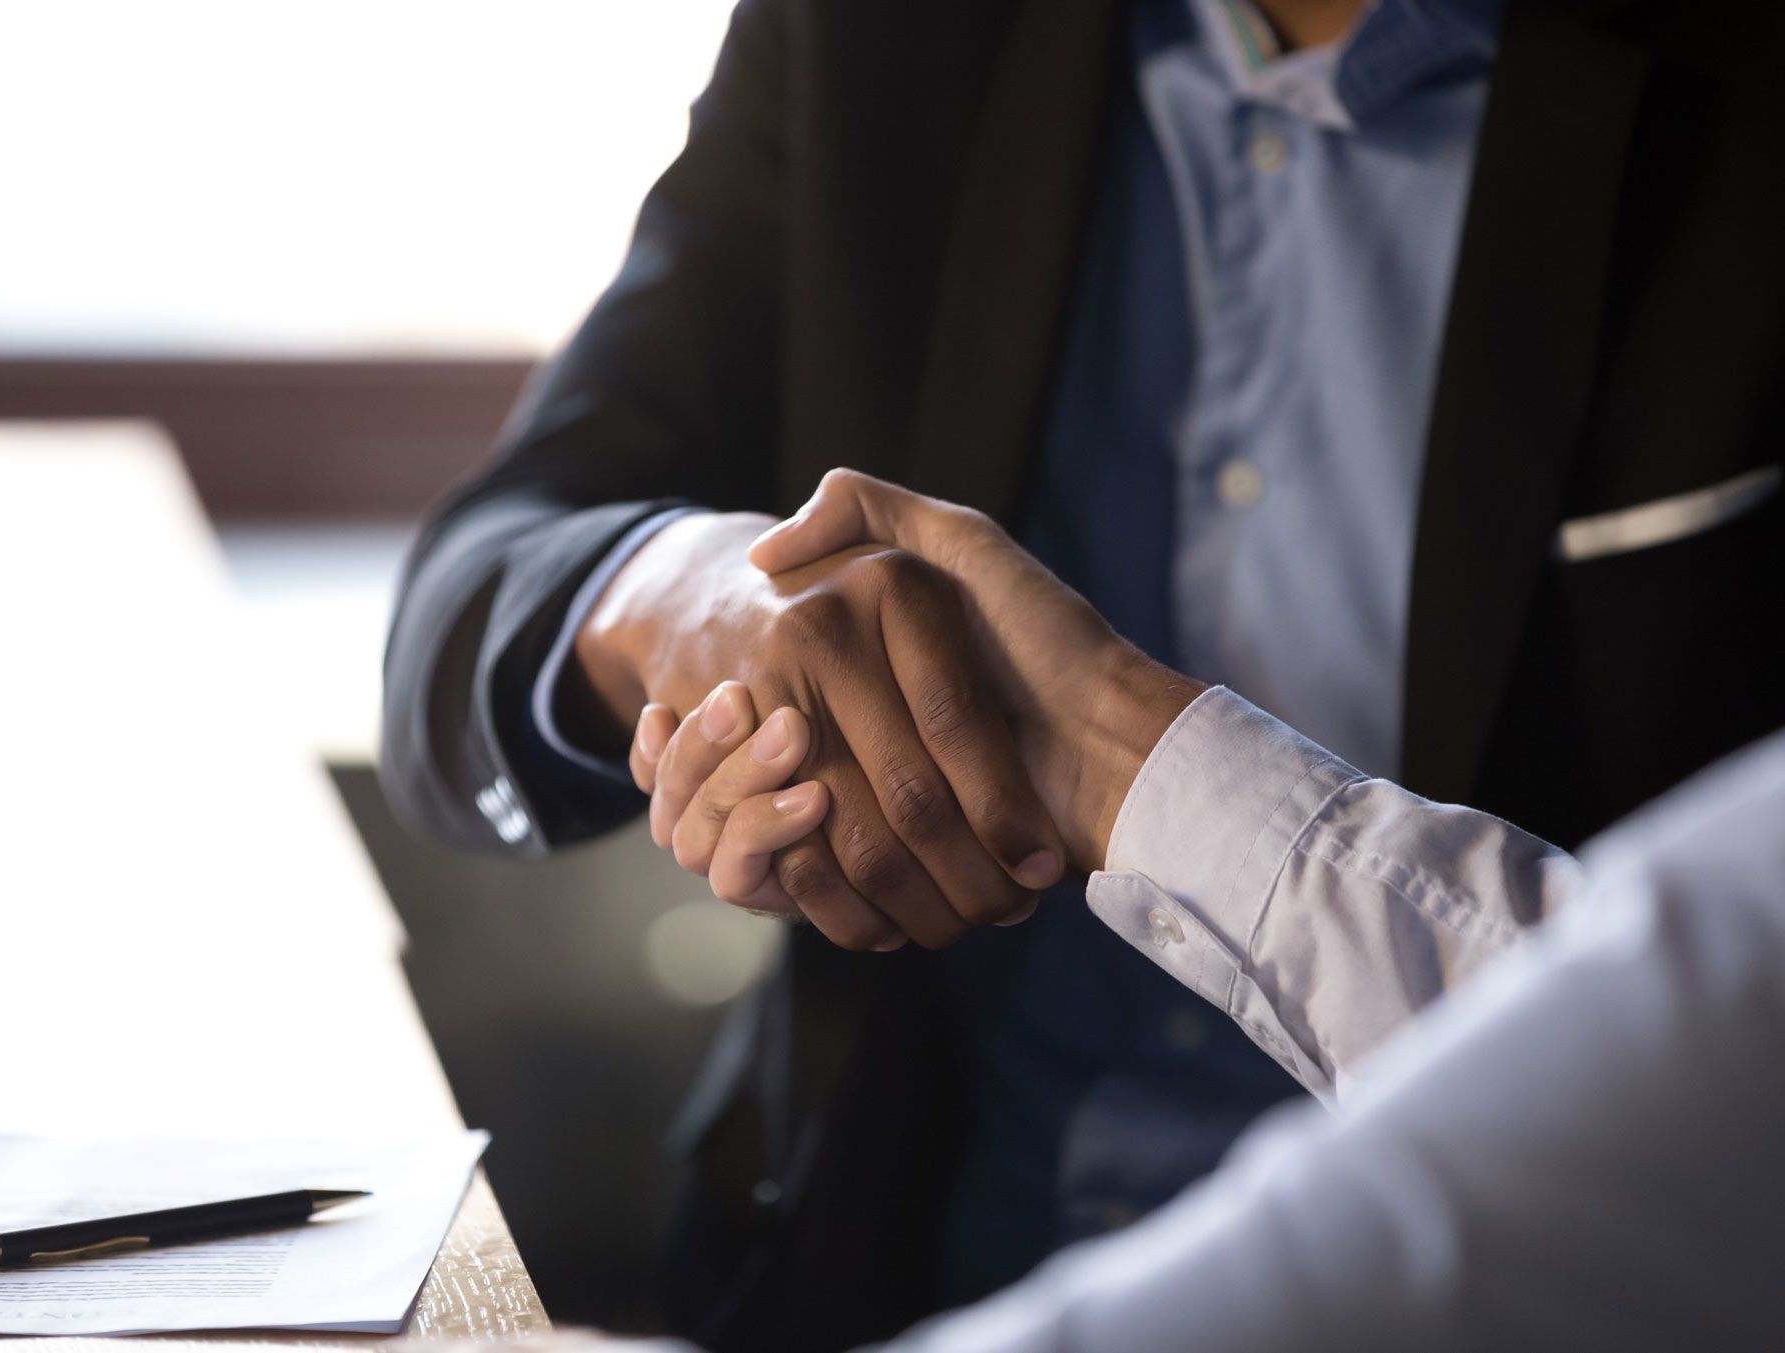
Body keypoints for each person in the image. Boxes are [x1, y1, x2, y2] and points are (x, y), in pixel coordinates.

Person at [380, 0, 1785, 1345]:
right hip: (876, 1268)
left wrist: (1118, 753)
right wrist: (690, 601)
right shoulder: (886, 30)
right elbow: (463, 610)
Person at [597, 471, 1785, 1351]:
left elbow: (1542, 1163)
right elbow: (514, 534)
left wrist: (1102, 745)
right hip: (856, 1250)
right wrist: (700, 589)